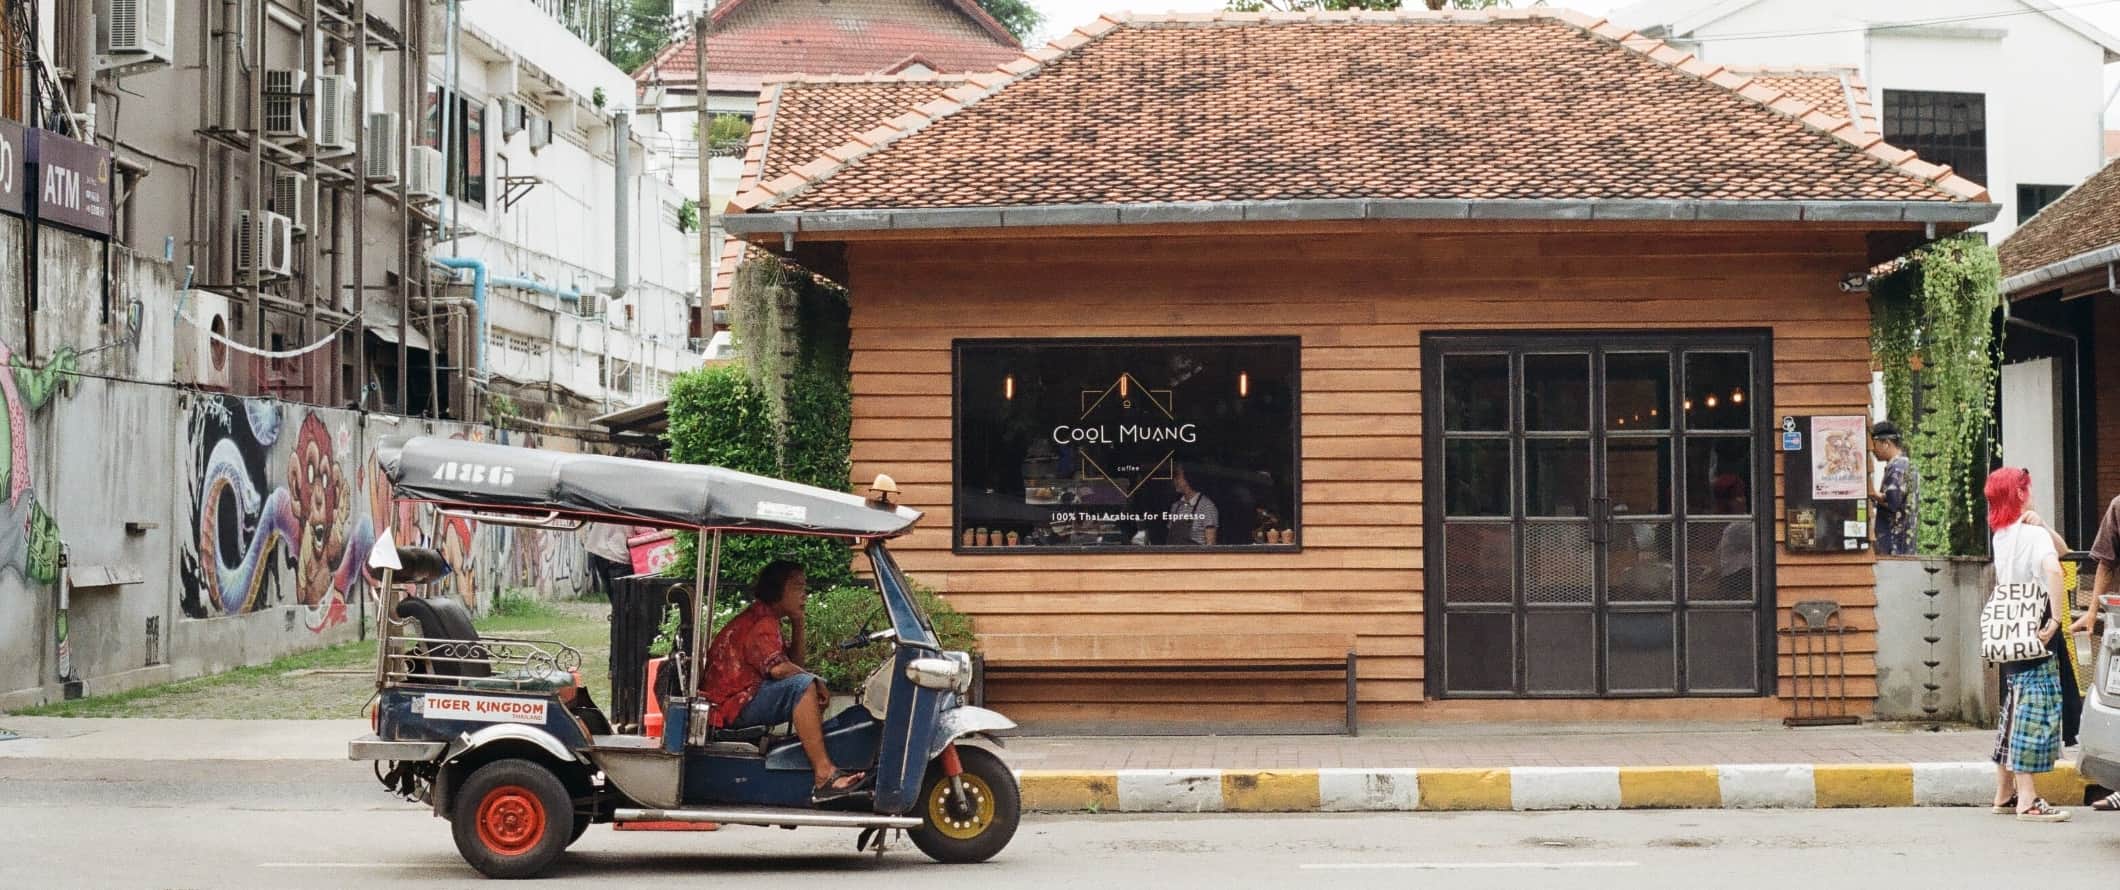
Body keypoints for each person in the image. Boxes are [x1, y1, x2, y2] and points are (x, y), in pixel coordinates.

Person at [701, 560, 869, 802]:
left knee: (803, 681)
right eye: (797, 586)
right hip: (732, 705)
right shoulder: (762, 623)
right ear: (777, 589)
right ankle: (825, 775)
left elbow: (794, 661)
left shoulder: (770, 618)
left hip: (745, 697)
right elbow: (780, 670)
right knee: (802, 687)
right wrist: (814, 679)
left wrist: (798, 622)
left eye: (805, 587)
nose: (804, 593)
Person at [1985, 468, 2071, 822]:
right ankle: (2028, 799)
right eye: (2027, 488)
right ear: (2020, 493)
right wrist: (2055, 619)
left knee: (2015, 704)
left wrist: (2042, 525)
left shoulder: (2002, 535)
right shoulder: (2031, 536)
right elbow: (2055, 567)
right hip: (2035, 629)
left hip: (2009, 631)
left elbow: (2061, 548)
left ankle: (2004, 792)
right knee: (2034, 710)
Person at [1870, 421, 1919, 556]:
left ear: (1886, 443)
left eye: (1874, 445)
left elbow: (1892, 502)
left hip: (1894, 545)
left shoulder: (1898, 467)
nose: (1872, 450)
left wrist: (1872, 493)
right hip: (1904, 543)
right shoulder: (1907, 464)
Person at [1167, 463, 1219, 546]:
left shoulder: (1206, 506)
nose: (1174, 481)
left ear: (1188, 478)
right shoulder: (1176, 506)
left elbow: (1211, 544)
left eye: (1178, 477)